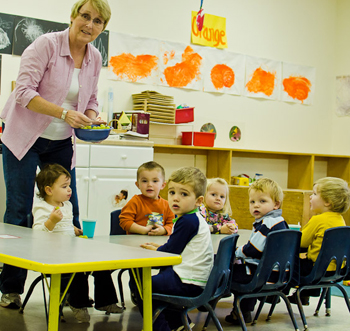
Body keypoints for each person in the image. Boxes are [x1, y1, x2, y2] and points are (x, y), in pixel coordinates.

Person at [0, 0, 111, 309]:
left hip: (61, 142)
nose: (90, 24)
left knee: (67, 211)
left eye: (98, 21)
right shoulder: (45, 45)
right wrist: (65, 113)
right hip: (24, 137)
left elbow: (90, 99)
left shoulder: (95, 57)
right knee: (19, 212)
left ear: (103, 27)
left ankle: (69, 295)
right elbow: (24, 93)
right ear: (73, 16)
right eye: (85, 16)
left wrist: (91, 116)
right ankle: (10, 289)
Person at [32, 164, 122, 323]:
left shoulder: (67, 205)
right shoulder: (42, 207)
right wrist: (51, 221)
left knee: (101, 264)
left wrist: (74, 230)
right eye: (64, 186)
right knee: (78, 270)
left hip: (70, 250)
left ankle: (105, 301)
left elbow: (65, 224)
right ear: (49, 190)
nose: (69, 190)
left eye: (69, 186)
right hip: (52, 254)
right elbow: (37, 234)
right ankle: (78, 304)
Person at [139, 167, 214, 331]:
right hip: (193, 278)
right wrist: (159, 248)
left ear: (199, 201)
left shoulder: (187, 221)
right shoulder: (193, 218)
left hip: (188, 281)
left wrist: (155, 252)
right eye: (172, 192)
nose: (176, 198)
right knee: (154, 284)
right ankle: (178, 323)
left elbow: (170, 252)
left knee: (140, 285)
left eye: (184, 194)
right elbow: (177, 247)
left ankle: (161, 328)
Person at [225, 177, 288, 325]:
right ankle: (244, 311)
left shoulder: (266, 223)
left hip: (263, 275)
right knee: (246, 268)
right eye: (252, 202)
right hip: (280, 275)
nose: (256, 205)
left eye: (262, 201)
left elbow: (253, 249)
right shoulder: (280, 221)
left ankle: (236, 311)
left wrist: (235, 252)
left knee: (229, 272)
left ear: (276, 204)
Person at [287, 177, 350, 306]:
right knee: (313, 260)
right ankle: (304, 295)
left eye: (315, 194)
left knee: (288, 264)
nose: (310, 196)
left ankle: (277, 294)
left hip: (316, 271)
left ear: (327, 202)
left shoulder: (318, 220)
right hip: (337, 270)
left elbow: (300, 242)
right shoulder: (340, 220)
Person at [119, 161, 174, 235]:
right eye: (144, 181)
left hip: (158, 244)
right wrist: (143, 230)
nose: (149, 184)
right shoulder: (135, 201)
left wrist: (164, 230)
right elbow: (124, 221)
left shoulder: (167, 205)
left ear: (163, 185)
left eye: (155, 181)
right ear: (138, 185)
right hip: (134, 243)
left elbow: (172, 224)